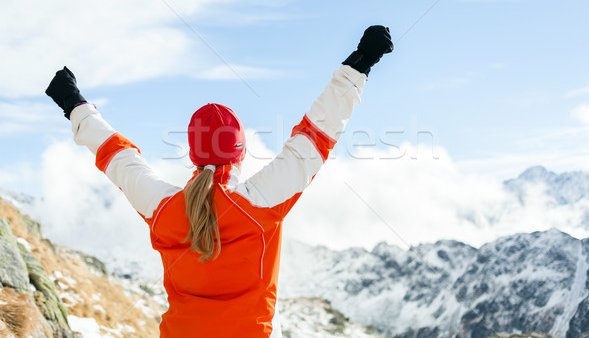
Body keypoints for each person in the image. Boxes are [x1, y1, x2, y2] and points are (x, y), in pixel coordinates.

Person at [45, 25, 393, 337]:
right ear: (240, 151)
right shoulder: (260, 203)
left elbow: (117, 155)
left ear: (193, 153)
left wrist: (72, 102)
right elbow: (316, 133)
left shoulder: (163, 207)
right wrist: (360, 62)